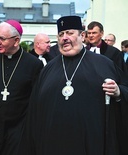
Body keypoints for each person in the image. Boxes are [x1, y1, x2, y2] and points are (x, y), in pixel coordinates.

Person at [18, 15, 128, 155]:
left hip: (91, 143)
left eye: (70, 33)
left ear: (82, 36)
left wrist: (118, 92)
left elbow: (125, 89)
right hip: (52, 143)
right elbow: (34, 111)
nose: (64, 37)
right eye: (61, 34)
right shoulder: (47, 69)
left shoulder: (104, 64)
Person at [0, 19, 43, 155]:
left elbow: (36, 101)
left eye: (2, 39)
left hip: (17, 131)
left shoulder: (34, 64)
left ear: (16, 41)